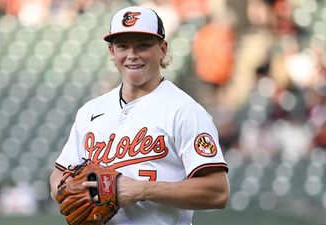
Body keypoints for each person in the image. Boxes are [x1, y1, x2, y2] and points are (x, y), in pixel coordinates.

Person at [50, 6, 229, 225]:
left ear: (162, 49)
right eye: (123, 46)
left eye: (143, 45)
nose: (132, 55)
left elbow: (218, 192)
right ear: (112, 52)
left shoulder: (185, 111)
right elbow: (59, 174)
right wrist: (65, 188)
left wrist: (141, 189)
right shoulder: (90, 111)